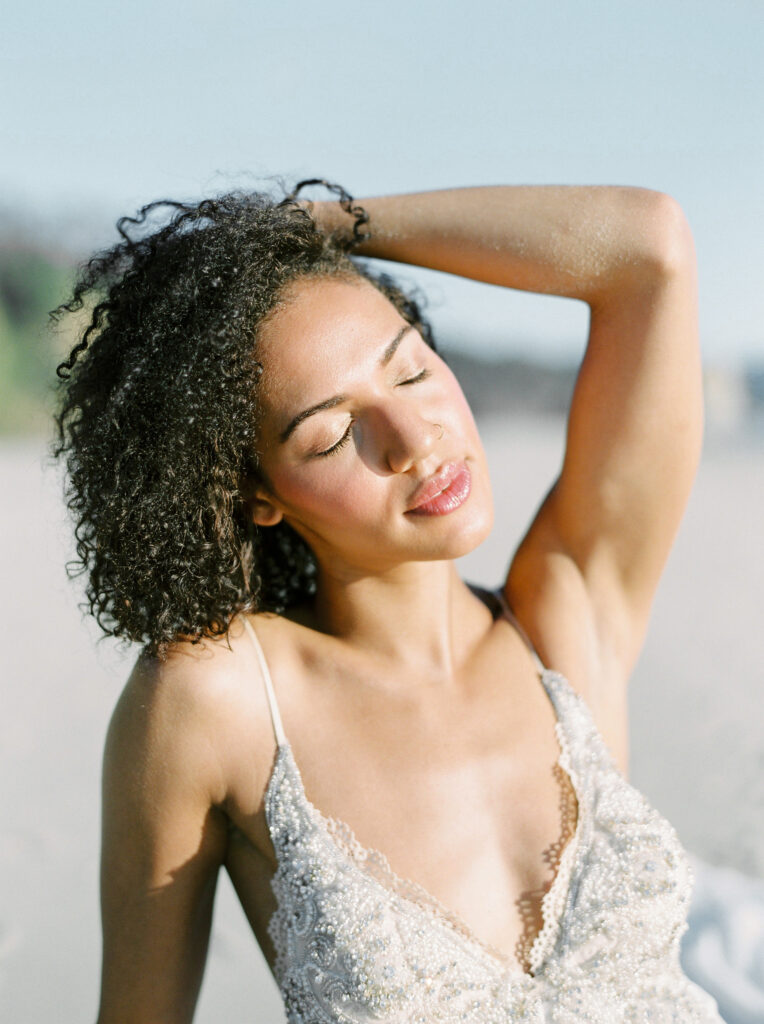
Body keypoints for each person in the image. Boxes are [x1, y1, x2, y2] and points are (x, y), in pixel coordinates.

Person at [53, 181, 725, 1023]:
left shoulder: (565, 616)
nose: (416, 441)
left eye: (410, 368)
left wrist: (313, 227)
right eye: (332, 434)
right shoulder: (218, 702)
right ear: (258, 494)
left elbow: (648, 249)